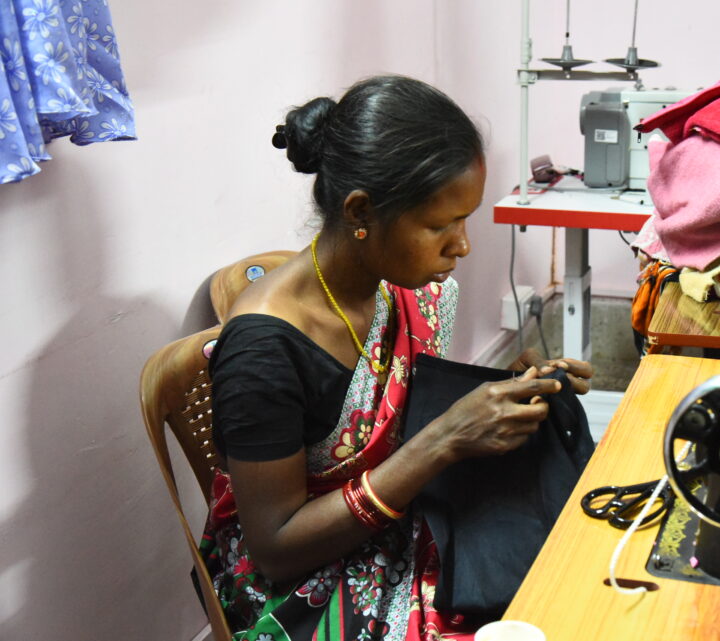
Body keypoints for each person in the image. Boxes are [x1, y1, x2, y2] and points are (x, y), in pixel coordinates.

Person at [199, 75, 594, 641]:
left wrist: (510, 390)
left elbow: (402, 412)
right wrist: (443, 442)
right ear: (361, 212)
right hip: (307, 584)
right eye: (440, 225)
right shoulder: (265, 350)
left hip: (400, 517)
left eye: (464, 220)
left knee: (576, 561)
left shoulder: (393, 286)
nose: (462, 245)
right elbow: (277, 550)